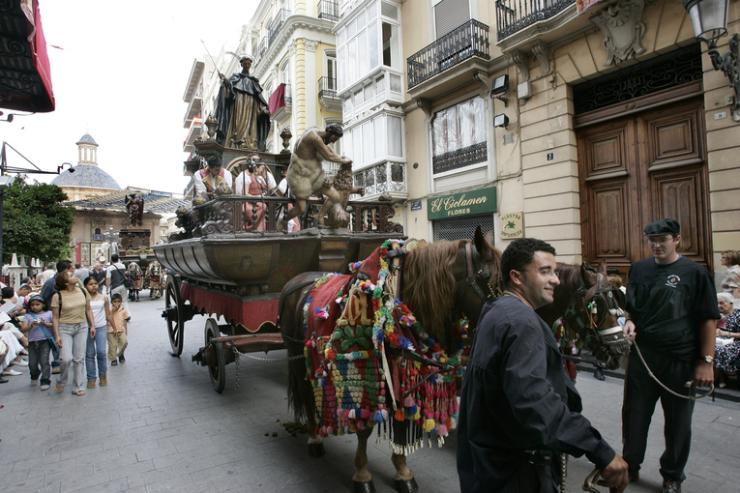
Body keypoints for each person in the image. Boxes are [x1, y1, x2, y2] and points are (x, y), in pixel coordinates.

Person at [457, 238, 628, 493]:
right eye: (545, 271)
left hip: (490, 468)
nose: (556, 280)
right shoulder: (521, 323)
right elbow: (533, 402)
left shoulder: (497, 310)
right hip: (516, 473)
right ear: (516, 277)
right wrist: (598, 449)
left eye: (555, 272)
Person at [621, 219, 720, 493]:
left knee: (678, 423)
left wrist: (706, 362)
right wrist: (629, 322)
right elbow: (633, 309)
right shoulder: (639, 269)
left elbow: (708, 319)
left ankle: (673, 475)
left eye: (662, 239)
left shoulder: (695, 273)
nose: (656, 245)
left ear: (676, 239)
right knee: (634, 415)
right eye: (651, 239)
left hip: (681, 360)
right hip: (644, 358)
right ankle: (629, 465)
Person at [282, 124, 352, 229]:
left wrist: (341, 157)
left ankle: (322, 217)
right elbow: (328, 156)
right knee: (301, 208)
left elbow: (329, 150)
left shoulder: (321, 137)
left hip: (312, 175)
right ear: (328, 132)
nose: (334, 142)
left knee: (335, 196)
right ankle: (282, 221)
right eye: (334, 138)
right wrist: (343, 160)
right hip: (299, 176)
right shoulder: (314, 137)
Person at [51, 271, 95, 396]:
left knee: (79, 359)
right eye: (70, 276)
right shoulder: (57, 296)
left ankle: (78, 386)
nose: (75, 276)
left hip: (81, 326)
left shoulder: (83, 291)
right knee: (66, 359)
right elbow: (54, 317)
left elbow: (88, 309)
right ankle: (62, 380)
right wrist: (57, 335)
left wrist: (92, 325)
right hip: (64, 328)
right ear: (65, 282)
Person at [215, 55, 270, 150]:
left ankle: (250, 143)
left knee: (251, 123)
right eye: (245, 63)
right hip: (239, 103)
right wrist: (226, 82)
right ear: (241, 64)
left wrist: (262, 108)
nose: (247, 64)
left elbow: (259, 99)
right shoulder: (236, 77)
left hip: (251, 106)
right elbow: (229, 92)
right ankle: (237, 141)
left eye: (249, 63)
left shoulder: (253, 81)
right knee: (238, 123)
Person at [19, 294, 53, 390]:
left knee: (44, 361)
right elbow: (23, 329)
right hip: (32, 342)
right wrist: (31, 325)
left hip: (45, 341)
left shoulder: (49, 313)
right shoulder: (28, 316)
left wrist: (45, 324)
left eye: (37, 304)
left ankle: (45, 379)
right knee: (32, 363)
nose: (34, 306)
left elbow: (55, 325)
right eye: (32, 305)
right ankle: (34, 374)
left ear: (43, 305)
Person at [235, 155, 277, 231]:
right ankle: (252, 228)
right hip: (247, 202)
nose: (262, 170)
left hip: (260, 201)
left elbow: (272, 189)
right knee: (261, 206)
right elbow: (243, 194)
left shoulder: (259, 177)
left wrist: (264, 176)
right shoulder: (244, 177)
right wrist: (258, 196)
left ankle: (263, 229)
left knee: (265, 206)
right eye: (262, 168)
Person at [84, 276, 110, 389]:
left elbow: (108, 314)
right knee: (89, 354)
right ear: (85, 286)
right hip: (87, 328)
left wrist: (114, 327)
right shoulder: (83, 298)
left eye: (95, 283)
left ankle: (103, 375)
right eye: (90, 284)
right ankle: (91, 378)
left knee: (101, 352)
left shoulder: (104, 297)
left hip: (101, 327)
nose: (94, 286)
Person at [714, 292, 740, 388]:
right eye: (717, 303)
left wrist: (726, 334)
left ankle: (719, 379)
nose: (719, 306)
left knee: (719, 350)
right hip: (718, 340)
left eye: (722, 303)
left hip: (735, 342)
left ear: (731, 304)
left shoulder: (738, 315)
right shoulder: (716, 315)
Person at [107, 293, 130, 366]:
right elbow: (107, 317)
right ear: (111, 302)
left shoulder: (123, 309)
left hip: (121, 330)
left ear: (121, 302)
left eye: (118, 301)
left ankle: (120, 354)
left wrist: (126, 330)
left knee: (124, 342)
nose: (117, 303)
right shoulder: (109, 309)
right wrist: (113, 310)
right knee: (112, 346)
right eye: (114, 301)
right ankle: (113, 359)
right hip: (111, 331)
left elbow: (125, 321)